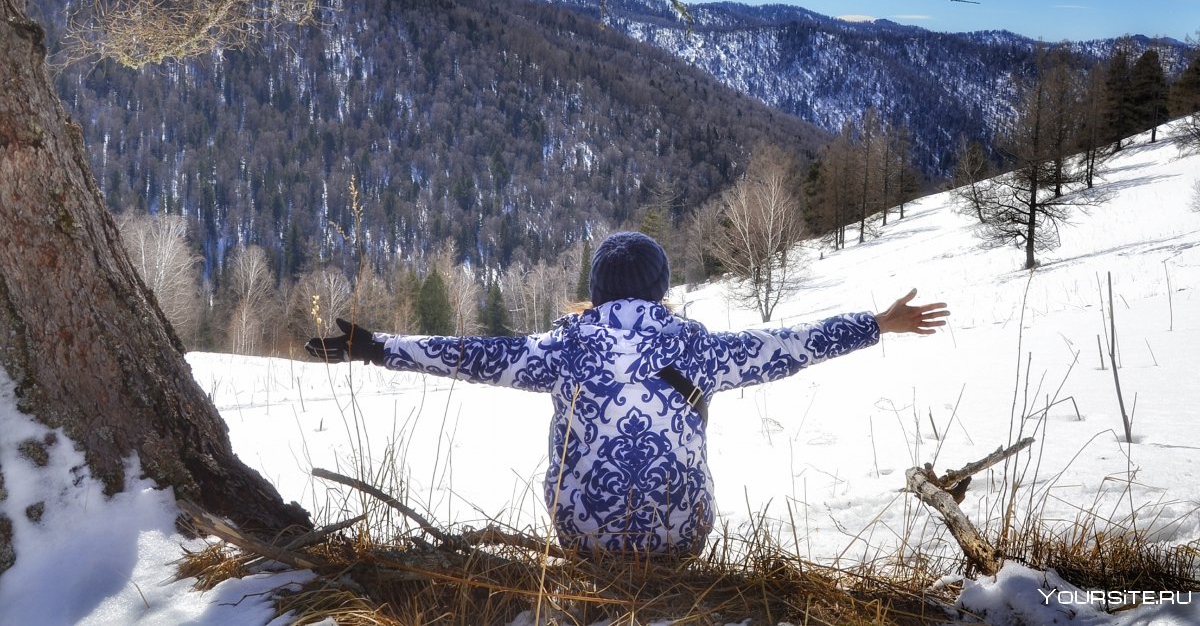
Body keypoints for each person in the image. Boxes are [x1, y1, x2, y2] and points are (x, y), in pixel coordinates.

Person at [306, 231, 948, 555]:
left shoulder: (564, 345)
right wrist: (875, 324)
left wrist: (379, 347)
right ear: (661, 288)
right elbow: (788, 347)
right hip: (682, 538)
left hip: (581, 536)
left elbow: (474, 356)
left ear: (600, 288)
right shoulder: (696, 347)